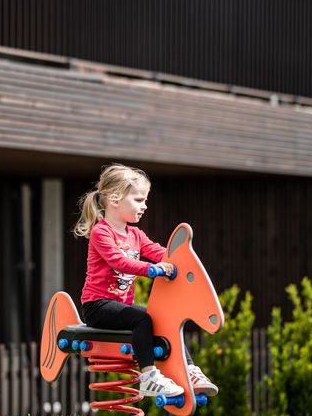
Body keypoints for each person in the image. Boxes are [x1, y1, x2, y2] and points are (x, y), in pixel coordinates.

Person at [74, 163, 218, 398]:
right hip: (97, 306)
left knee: (161, 319)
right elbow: (118, 262)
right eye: (139, 200)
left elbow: (159, 251)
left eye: (145, 200)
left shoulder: (135, 234)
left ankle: (190, 369)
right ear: (115, 199)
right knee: (142, 318)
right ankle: (149, 377)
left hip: (121, 306)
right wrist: (153, 270)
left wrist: (182, 260)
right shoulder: (102, 232)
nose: (145, 206)